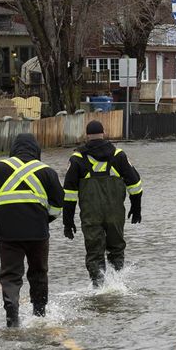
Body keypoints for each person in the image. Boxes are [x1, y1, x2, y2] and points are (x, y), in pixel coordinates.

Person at [0, 133, 64, 327]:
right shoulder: (47, 171)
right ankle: (39, 315)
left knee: (10, 275)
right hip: (38, 233)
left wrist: (1, 219)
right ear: (36, 150)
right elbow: (58, 207)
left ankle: (12, 318)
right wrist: (43, 220)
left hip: (8, 234)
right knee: (39, 273)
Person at [62, 120, 143, 286]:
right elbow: (135, 185)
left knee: (94, 253)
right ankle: (117, 284)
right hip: (115, 214)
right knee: (116, 250)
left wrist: (67, 221)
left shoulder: (77, 159)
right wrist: (136, 208)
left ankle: (99, 289)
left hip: (91, 216)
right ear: (104, 133)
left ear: (86, 135)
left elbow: (69, 194)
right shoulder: (118, 156)